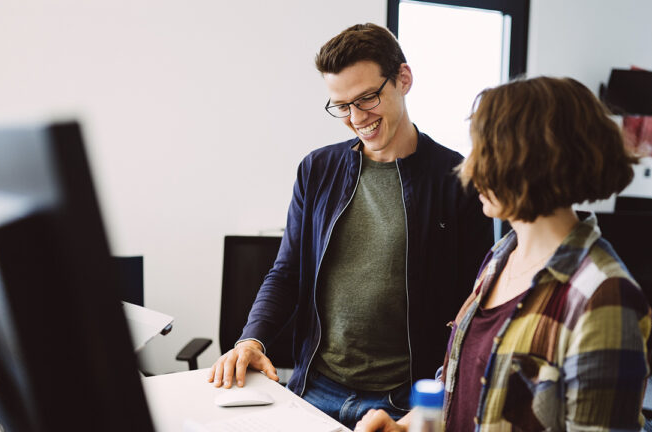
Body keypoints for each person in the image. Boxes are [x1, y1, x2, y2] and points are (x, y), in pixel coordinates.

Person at [207, 23, 493, 429]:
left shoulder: (457, 179)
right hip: (314, 389)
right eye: (342, 106)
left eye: (368, 98)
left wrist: (436, 405)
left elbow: (474, 309)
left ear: (403, 80)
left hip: (405, 401)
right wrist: (251, 339)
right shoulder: (317, 169)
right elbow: (286, 273)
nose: (357, 118)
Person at [355, 76, 652, 431]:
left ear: (530, 163)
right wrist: (405, 426)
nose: (470, 170)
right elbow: (461, 381)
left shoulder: (604, 298)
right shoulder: (502, 256)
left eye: (485, 154)